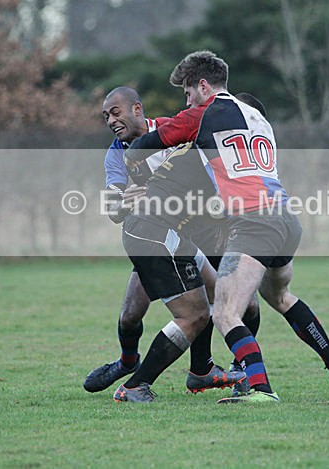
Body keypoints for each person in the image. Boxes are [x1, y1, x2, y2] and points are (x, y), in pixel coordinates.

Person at [126, 51, 329, 403]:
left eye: (187, 93)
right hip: (286, 219)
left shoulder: (203, 114)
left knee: (225, 312)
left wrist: (137, 168)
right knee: (279, 296)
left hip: (253, 222)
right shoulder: (258, 118)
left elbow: (145, 143)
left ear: (203, 86)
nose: (186, 102)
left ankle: (261, 389)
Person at [84, 86, 251, 397]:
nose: (110, 120)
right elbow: (113, 210)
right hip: (154, 237)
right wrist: (126, 202)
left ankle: (206, 368)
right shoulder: (116, 153)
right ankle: (127, 363)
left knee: (219, 295)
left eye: (115, 112)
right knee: (131, 314)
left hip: (191, 231)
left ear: (137, 109)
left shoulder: (169, 131)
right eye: (105, 116)